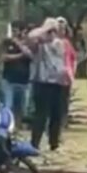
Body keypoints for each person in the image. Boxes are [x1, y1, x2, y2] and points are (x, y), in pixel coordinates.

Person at [27, 17, 67, 151]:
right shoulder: (38, 45)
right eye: (50, 31)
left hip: (58, 82)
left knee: (56, 114)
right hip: (42, 82)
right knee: (40, 114)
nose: (52, 34)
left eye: (54, 31)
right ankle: (34, 143)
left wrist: (52, 30)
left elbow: (57, 45)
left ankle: (54, 144)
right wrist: (45, 29)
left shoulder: (58, 43)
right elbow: (31, 36)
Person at [1, 21, 32, 122]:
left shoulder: (29, 43)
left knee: (21, 109)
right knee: (8, 106)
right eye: (13, 30)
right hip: (9, 80)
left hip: (24, 81)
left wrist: (17, 43)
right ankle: (6, 127)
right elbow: (4, 57)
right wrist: (20, 56)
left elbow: (30, 55)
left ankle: (17, 127)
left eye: (16, 31)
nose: (14, 33)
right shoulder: (7, 43)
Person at [56, 17, 77, 128]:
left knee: (64, 101)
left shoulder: (67, 43)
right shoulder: (51, 43)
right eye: (59, 28)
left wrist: (72, 72)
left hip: (66, 77)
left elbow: (73, 58)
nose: (61, 31)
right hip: (54, 77)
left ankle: (63, 123)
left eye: (63, 29)